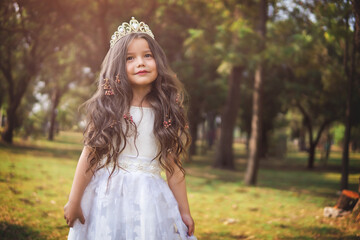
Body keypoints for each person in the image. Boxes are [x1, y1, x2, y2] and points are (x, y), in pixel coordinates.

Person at [63, 17, 197, 240]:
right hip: (106, 198)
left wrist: (184, 211)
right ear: (117, 67)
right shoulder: (108, 109)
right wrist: (74, 200)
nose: (141, 63)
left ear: (158, 61)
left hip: (150, 201)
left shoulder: (165, 111)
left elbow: (173, 169)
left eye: (147, 55)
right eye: (130, 58)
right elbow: (89, 156)